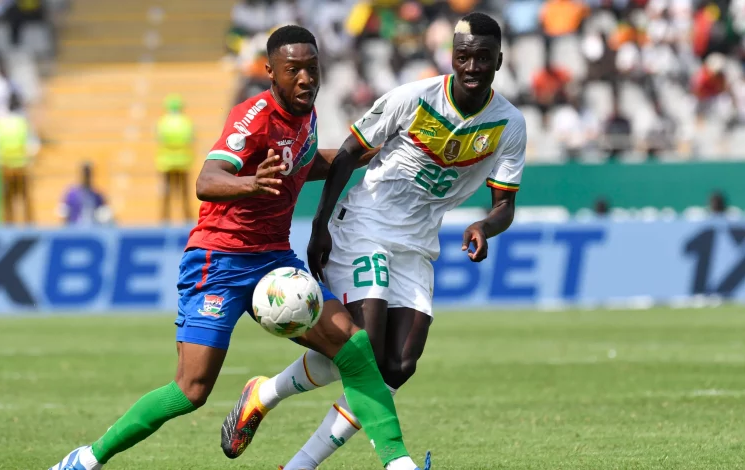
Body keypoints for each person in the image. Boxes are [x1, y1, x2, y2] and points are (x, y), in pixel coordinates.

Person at [48, 25, 428, 470]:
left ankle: (396, 463)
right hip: (219, 261)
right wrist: (250, 182)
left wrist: (369, 151)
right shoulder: (251, 118)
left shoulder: (305, 114)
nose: (306, 79)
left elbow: (303, 165)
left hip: (274, 259)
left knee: (355, 347)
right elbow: (206, 180)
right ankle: (87, 459)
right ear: (270, 73)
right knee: (191, 390)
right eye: (294, 71)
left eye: (312, 68)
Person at [222, 12, 526, 470]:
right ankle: (314, 464)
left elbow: (505, 204)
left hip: (418, 243)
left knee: (397, 366)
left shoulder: (509, 124)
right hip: (366, 225)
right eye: (464, 56)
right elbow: (347, 156)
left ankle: (264, 393)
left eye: (483, 58)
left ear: (498, 61)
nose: (472, 66)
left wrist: (485, 226)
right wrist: (321, 224)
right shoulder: (413, 98)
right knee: (362, 346)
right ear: (453, 57)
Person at [0, 94, 33, 224]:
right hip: (21, 166)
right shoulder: (22, 123)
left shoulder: (0, 123)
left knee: (7, 201)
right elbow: (29, 144)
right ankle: (29, 225)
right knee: (25, 200)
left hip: (5, 167)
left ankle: (8, 226)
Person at [156, 93, 195, 223]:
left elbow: (160, 139)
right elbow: (190, 139)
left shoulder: (162, 121)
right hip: (183, 162)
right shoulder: (186, 121)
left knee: (167, 193)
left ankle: (164, 219)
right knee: (184, 193)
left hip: (166, 162)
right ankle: (187, 218)